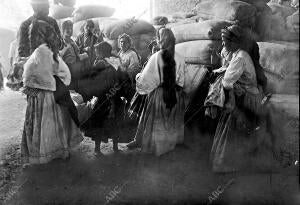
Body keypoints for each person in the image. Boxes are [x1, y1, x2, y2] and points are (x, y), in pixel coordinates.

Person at [208, 25, 268, 173]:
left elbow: (227, 81)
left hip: (249, 98)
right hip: (245, 93)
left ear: (234, 42)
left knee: (231, 121)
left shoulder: (241, 57)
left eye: (225, 41)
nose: (223, 44)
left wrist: (230, 103)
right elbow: (228, 67)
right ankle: (235, 161)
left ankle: (228, 163)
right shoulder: (237, 53)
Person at [126, 28, 186, 156]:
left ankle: (154, 146)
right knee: (168, 121)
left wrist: (137, 76)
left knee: (155, 119)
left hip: (160, 94)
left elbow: (145, 80)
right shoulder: (180, 57)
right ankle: (167, 146)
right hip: (174, 94)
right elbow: (181, 81)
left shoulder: (157, 56)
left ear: (161, 40)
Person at [60, 20, 89, 90]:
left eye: (71, 29)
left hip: (75, 66)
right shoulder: (61, 42)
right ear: (63, 30)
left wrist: (84, 53)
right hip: (67, 68)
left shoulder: (71, 41)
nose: (70, 31)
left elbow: (77, 53)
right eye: (67, 29)